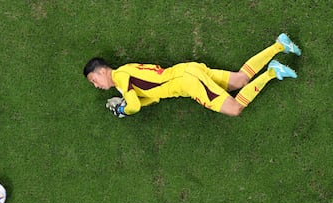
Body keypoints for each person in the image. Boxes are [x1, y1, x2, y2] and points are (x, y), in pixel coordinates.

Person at [83, 33, 301, 117]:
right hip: (189, 70)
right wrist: (127, 100)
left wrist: (123, 109)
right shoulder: (125, 75)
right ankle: (279, 45)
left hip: (190, 83)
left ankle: (272, 72)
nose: (97, 86)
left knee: (235, 108)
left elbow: (135, 106)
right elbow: (152, 97)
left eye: (94, 80)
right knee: (239, 80)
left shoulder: (121, 78)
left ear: (102, 71)